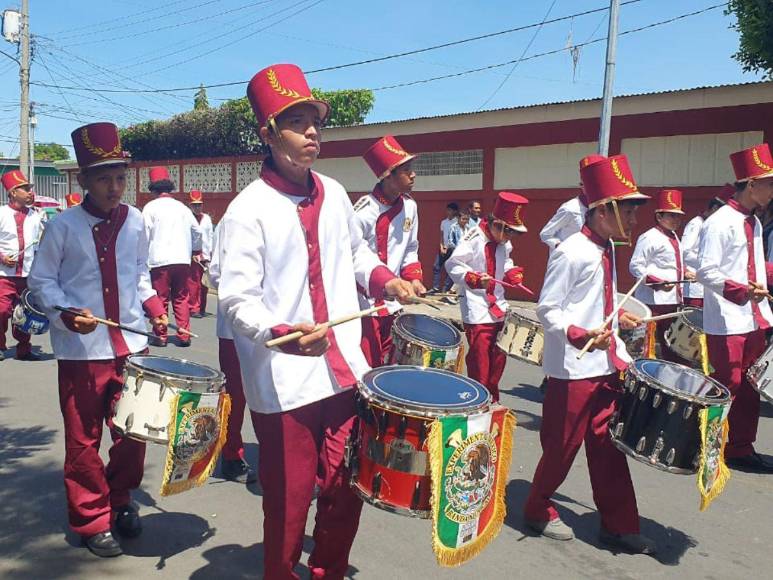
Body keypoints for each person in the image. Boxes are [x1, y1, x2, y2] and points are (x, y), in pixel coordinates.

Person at [217, 63, 415, 578]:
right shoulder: (246, 210)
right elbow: (237, 299)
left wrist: (383, 279)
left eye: (315, 122)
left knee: (347, 485)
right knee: (288, 501)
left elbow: (354, 255)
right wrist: (279, 334)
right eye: (297, 122)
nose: (311, 132)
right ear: (267, 133)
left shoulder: (333, 193)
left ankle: (328, 567)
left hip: (344, 368)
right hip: (284, 382)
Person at [27, 122, 168, 557]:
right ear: (83, 180)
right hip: (81, 352)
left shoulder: (138, 221)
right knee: (84, 439)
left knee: (132, 434)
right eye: (104, 177)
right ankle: (90, 519)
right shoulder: (62, 227)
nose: (114, 187)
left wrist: (157, 311)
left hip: (132, 349)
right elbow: (40, 281)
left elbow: (141, 274)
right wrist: (67, 315)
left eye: (121, 177)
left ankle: (120, 500)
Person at [524, 154, 657, 554]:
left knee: (608, 445)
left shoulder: (606, 249)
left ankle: (619, 524)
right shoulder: (571, 250)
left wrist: (621, 314)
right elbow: (549, 308)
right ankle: (536, 506)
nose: (634, 221)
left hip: (606, 362)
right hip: (572, 365)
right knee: (562, 445)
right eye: (629, 212)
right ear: (605, 210)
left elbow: (596, 298)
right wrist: (580, 332)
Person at [697, 143, 773, 473]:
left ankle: (741, 446)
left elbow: (754, 266)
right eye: (769, 183)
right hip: (728, 318)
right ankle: (708, 447)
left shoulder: (753, 223)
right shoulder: (719, 222)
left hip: (753, 317)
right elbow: (706, 270)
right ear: (752, 184)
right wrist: (741, 290)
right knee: (726, 386)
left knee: (751, 385)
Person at [445, 191, 529, 402]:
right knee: (480, 360)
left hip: (498, 306)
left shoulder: (504, 242)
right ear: (498, 225)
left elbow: (506, 260)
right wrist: (472, 278)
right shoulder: (473, 238)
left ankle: (492, 397)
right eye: (509, 232)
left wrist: (511, 272)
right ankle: (478, 400)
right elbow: (453, 265)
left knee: (498, 358)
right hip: (477, 307)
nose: (510, 238)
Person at [354, 134, 425, 367]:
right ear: (387, 175)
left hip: (393, 303)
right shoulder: (363, 211)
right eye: (406, 170)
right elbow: (351, 257)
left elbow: (411, 249)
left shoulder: (411, 207)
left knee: (391, 366)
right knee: (366, 367)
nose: (413, 174)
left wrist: (413, 279)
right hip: (363, 306)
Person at [208, 221, 257, 484]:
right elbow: (216, 273)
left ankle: (283, 458)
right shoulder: (235, 218)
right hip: (238, 327)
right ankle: (230, 455)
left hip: (287, 326)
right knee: (235, 396)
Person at [142, 167, 202, 346]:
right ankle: (184, 334)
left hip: (158, 261)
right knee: (181, 297)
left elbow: (144, 235)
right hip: (182, 259)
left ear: (153, 189)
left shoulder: (149, 208)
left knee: (160, 298)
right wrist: (195, 250)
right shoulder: (182, 208)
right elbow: (196, 231)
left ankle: (160, 335)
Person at [629, 189, 689, 362]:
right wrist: (657, 282)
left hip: (673, 300)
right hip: (653, 300)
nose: (676, 220)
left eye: (678, 216)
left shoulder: (674, 236)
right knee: (645, 346)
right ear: (659, 216)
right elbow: (635, 266)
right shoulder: (649, 237)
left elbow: (670, 264)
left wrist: (686, 272)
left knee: (671, 345)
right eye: (671, 216)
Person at [0, 169, 43, 361]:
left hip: (28, 274)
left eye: (29, 189)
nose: (29, 192)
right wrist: (1, 257)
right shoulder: (1, 213)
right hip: (5, 275)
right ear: (13, 192)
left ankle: (23, 349)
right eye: (24, 189)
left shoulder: (36, 215)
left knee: (26, 312)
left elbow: (44, 241)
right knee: (2, 310)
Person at [538, 154, 604, 253]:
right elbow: (545, 234)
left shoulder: (601, 210)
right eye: (584, 184)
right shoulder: (570, 209)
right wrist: (560, 246)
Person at [682, 185, 734, 308]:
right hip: (695, 287)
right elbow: (685, 251)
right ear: (715, 208)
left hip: (709, 285)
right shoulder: (697, 224)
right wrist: (708, 262)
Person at [187, 189, 214, 318]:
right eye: (195, 205)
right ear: (190, 205)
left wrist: (210, 255)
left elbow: (210, 237)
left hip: (205, 254)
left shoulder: (207, 218)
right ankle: (193, 308)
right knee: (193, 283)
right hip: (193, 254)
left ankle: (202, 307)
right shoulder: (187, 218)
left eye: (199, 204)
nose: (197, 207)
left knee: (204, 284)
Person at [429, 202, 459, 293]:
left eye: (450, 210)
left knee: (451, 269)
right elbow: (442, 236)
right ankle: (435, 287)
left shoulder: (458, 222)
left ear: (455, 211)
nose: (448, 212)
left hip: (453, 249)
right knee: (436, 266)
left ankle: (446, 289)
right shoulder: (444, 222)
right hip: (444, 248)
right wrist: (441, 247)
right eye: (447, 210)